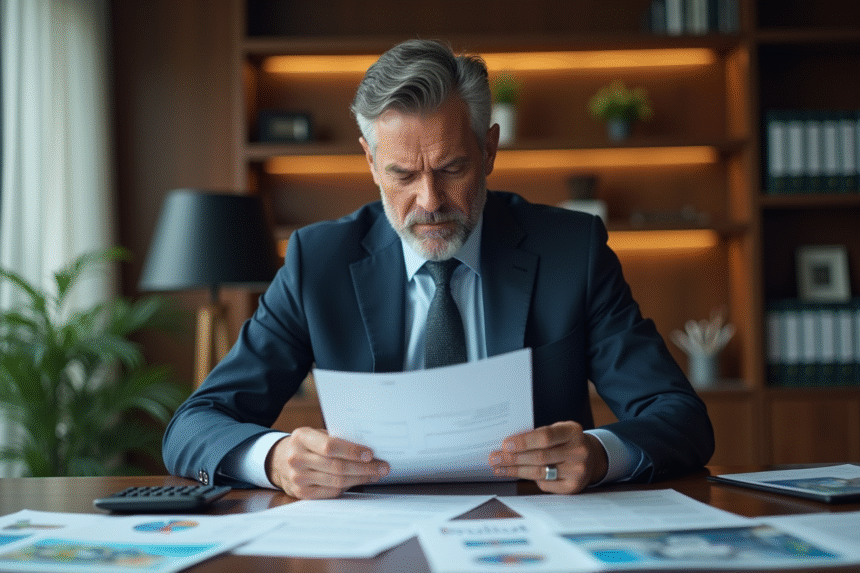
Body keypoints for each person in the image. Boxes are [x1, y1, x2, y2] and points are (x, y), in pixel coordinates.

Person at [162, 39, 714, 500]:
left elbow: (681, 417)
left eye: (451, 169)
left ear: (489, 149)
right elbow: (194, 424)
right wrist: (275, 458)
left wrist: (598, 454)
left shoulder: (572, 251)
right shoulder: (317, 261)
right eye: (403, 175)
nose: (430, 201)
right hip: (368, 537)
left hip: (534, 531)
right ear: (370, 161)